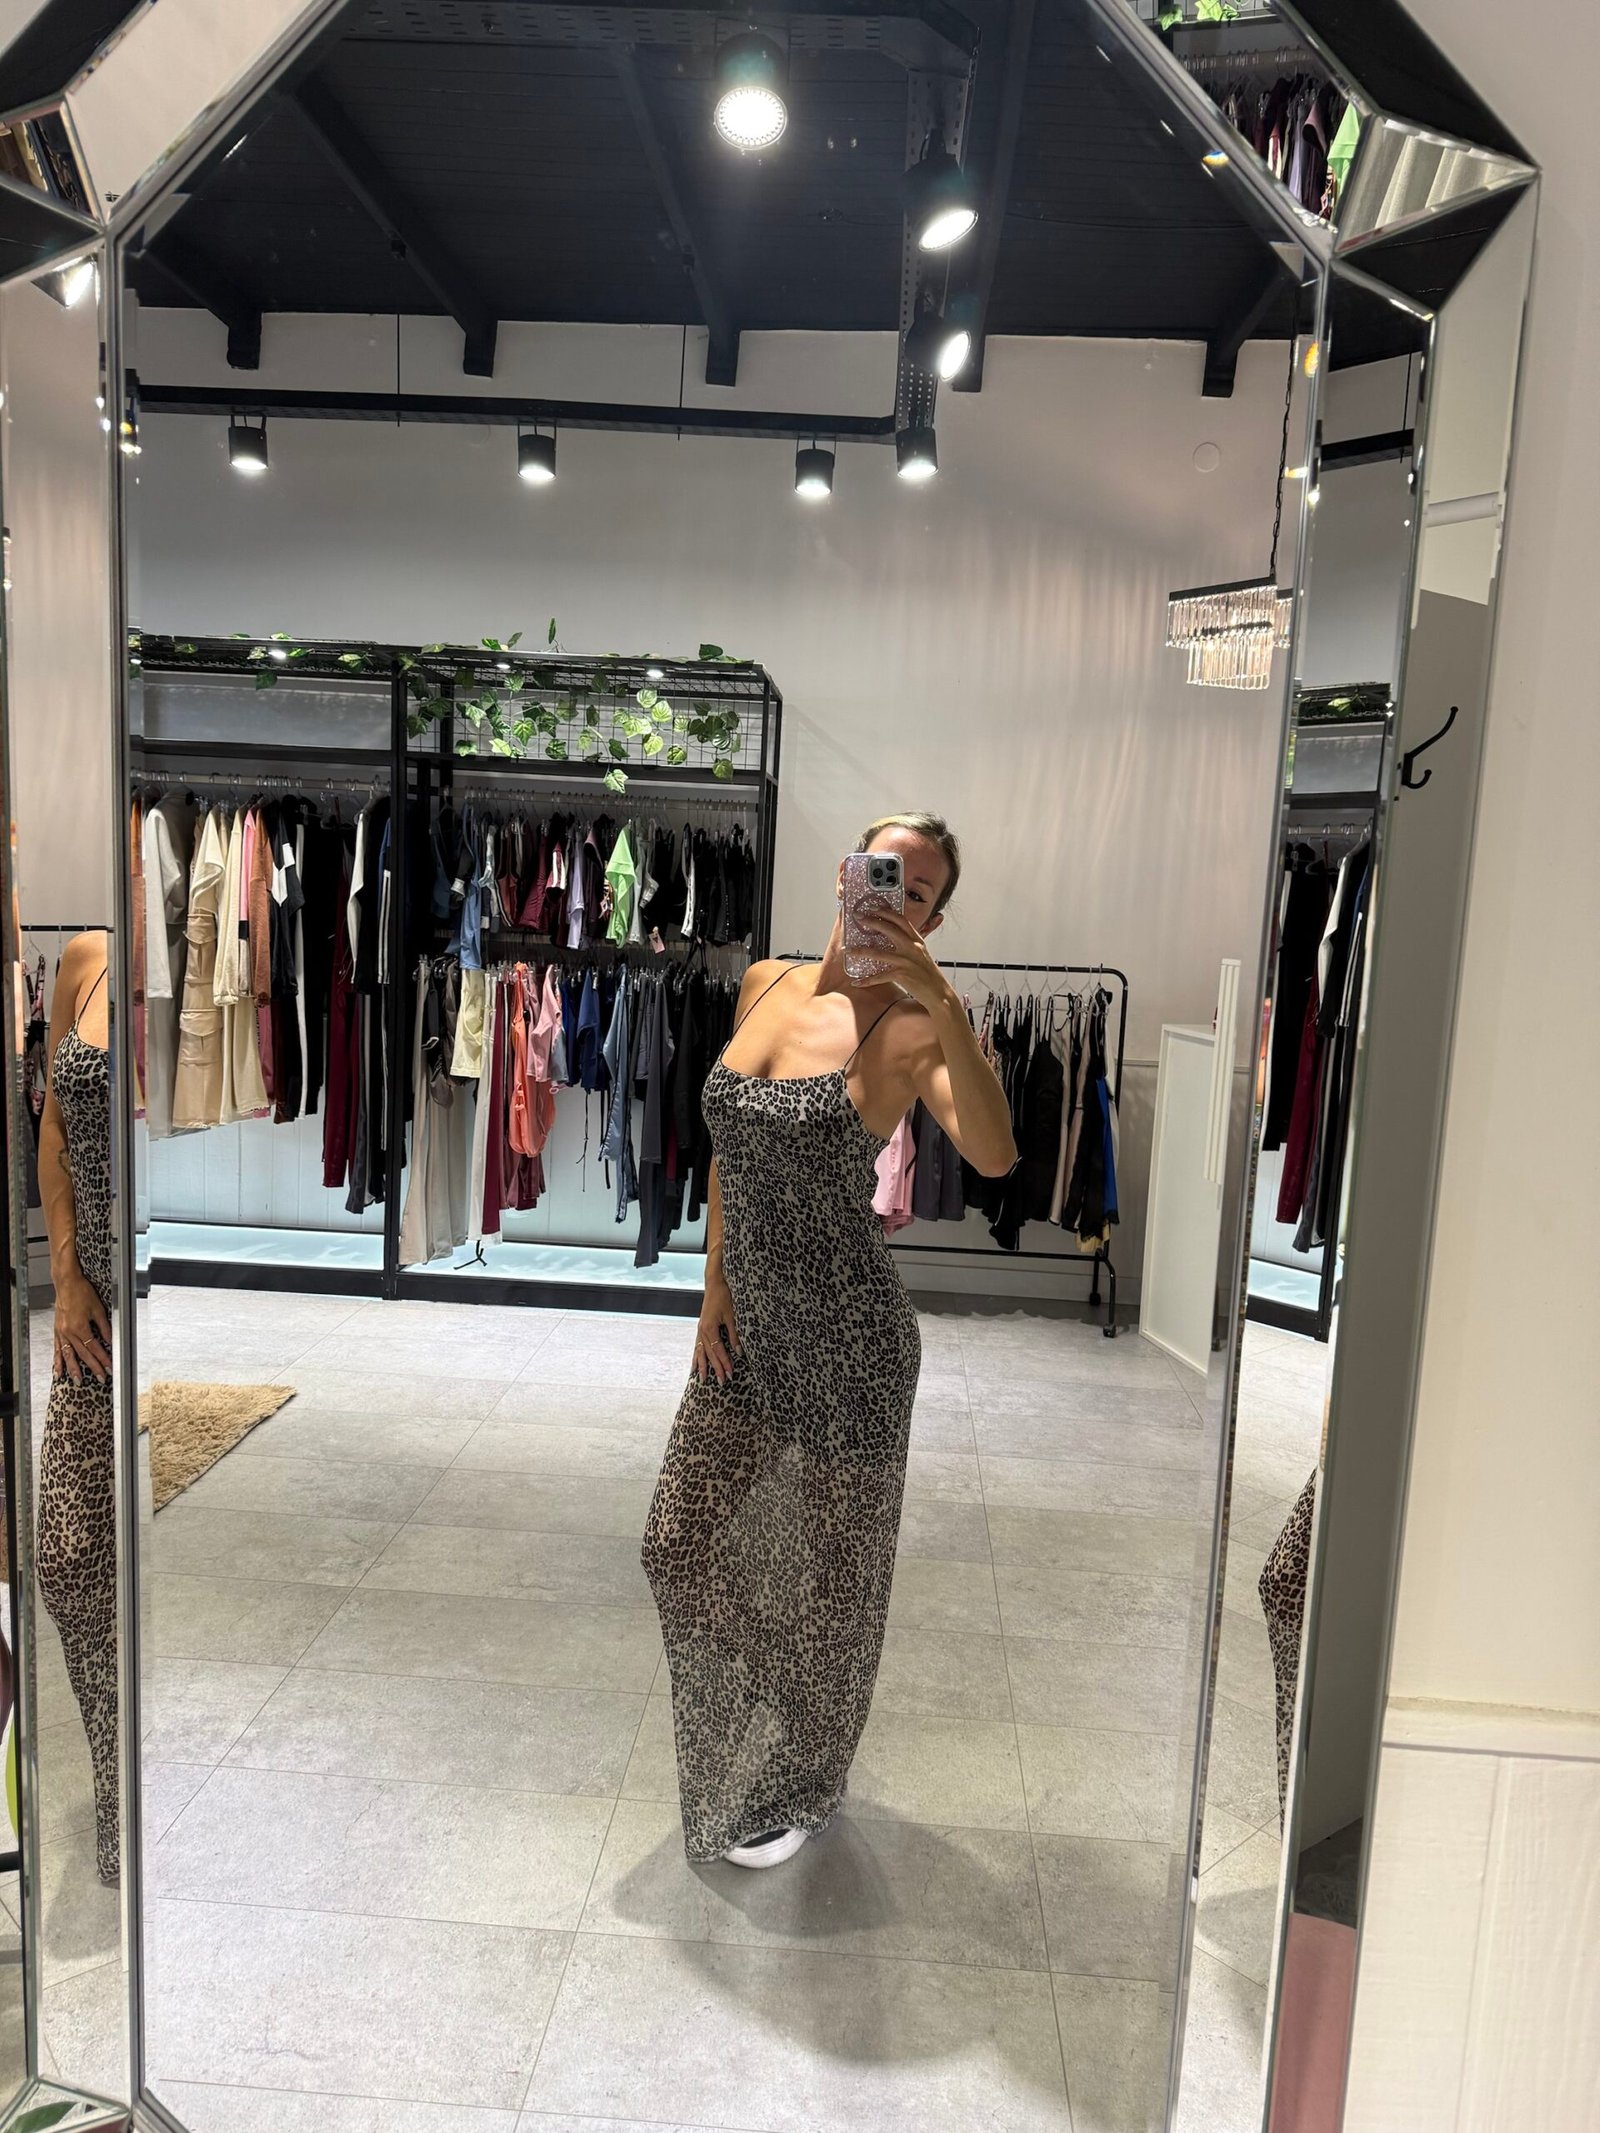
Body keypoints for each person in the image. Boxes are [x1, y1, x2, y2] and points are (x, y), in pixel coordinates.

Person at [641, 812, 1016, 1868]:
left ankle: (807, 1775)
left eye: (918, 890)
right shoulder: (764, 983)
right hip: (749, 1329)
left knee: (834, 1587)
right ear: (848, 870)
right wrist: (712, 1285)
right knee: (675, 1546)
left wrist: (944, 1002)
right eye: (882, 868)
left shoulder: (912, 1027)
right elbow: (730, 1146)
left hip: (852, 1339)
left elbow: (994, 1156)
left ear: (931, 918)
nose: (893, 892)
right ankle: (807, 1711)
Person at [35, 930, 118, 1884]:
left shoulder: (185, 960)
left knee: (145, 1576)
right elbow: (54, 1128)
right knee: (66, 1554)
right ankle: (115, 1786)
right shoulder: (85, 959)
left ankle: (135, 1807)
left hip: (161, 1311)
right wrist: (64, 1276)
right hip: (89, 1318)